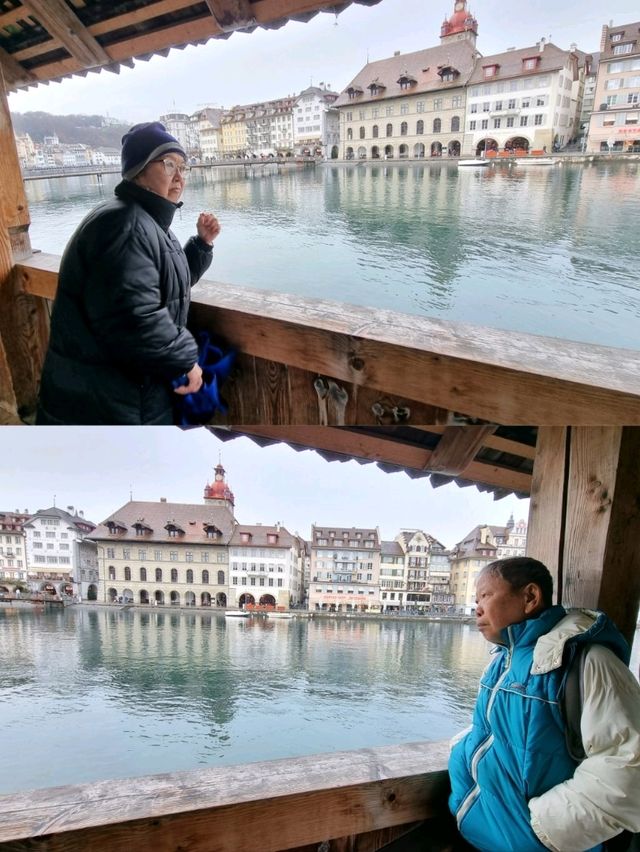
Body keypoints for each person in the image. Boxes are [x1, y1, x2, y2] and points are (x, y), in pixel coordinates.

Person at [448, 557, 640, 852]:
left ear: (530, 597)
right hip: (484, 834)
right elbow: (487, 735)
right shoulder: (503, 660)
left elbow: (628, 768)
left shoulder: (589, 663)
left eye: (485, 595)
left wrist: (545, 832)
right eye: (476, 599)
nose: (478, 607)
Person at [36, 121, 221, 425]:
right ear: (139, 170)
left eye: (183, 167)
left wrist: (201, 245)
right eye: (168, 164)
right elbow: (134, 315)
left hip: (117, 393)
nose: (179, 176)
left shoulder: (142, 220)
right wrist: (187, 359)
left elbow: (164, 283)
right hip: (106, 401)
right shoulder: (125, 225)